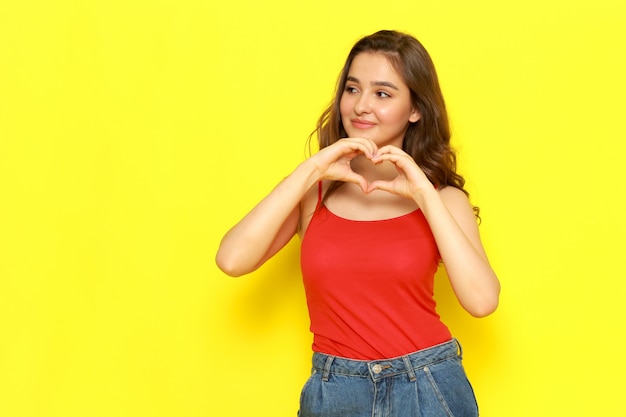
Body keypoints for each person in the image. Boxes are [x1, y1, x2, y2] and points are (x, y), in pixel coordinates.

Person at [216, 29, 500, 417]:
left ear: (415, 109)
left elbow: (482, 301)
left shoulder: (443, 200)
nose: (361, 106)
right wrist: (313, 168)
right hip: (336, 391)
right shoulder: (315, 194)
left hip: (427, 386)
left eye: (382, 94)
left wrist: (423, 192)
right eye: (353, 89)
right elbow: (232, 259)